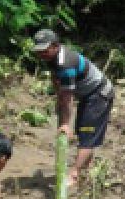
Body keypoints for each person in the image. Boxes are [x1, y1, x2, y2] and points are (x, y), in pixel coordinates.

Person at [31, 29, 115, 187]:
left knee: (87, 135)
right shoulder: (51, 58)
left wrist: (64, 124)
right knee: (83, 131)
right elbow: (58, 82)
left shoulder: (66, 62)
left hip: (99, 94)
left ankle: (74, 174)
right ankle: (86, 171)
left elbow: (67, 97)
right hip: (86, 95)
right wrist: (58, 98)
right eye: (39, 51)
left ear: (55, 46)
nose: (41, 54)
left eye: (44, 50)